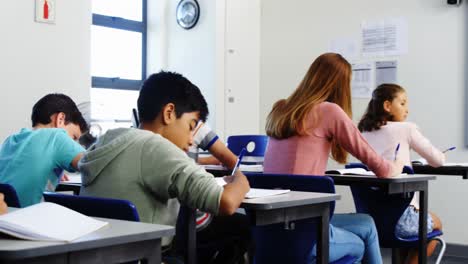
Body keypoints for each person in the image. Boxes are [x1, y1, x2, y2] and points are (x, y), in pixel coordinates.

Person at [79, 71, 250, 263]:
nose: (191, 139)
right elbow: (226, 202)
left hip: (100, 256)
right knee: (245, 228)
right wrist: (240, 180)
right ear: (169, 113)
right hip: (147, 257)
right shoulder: (155, 147)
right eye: (190, 125)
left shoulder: (105, 141)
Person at [263, 53, 404, 263]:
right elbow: (381, 168)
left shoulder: (281, 108)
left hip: (270, 233)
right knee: (362, 239)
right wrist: (398, 164)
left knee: (366, 223)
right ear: (341, 86)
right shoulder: (329, 111)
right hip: (306, 231)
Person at [358, 83, 444, 264]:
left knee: (413, 232)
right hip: (400, 219)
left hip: (370, 219)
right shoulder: (406, 128)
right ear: (387, 106)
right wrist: (441, 155)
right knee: (435, 226)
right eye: (403, 103)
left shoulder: (363, 131)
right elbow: (437, 161)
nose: (407, 109)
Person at [0, 94, 87, 207]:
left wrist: (51, 169)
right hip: (26, 217)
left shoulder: (11, 140)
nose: (74, 144)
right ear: (60, 119)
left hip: (5, 214)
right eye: (74, 137)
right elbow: (93, 164)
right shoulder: (57, 136)